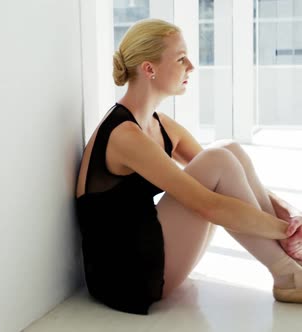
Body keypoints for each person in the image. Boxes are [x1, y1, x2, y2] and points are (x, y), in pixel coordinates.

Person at [75, 18, 302, 315]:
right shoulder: (123, 135)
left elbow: (235, 175)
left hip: (151, 250)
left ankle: (291, 268)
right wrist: (283, 231)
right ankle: (288, 273)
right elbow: (209, 205)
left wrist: (289, 212)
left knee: (227, 149)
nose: (191, 67)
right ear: (149, 69)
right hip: (126, 276)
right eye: (181, 58)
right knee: (217, 160)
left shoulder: (159, 125)